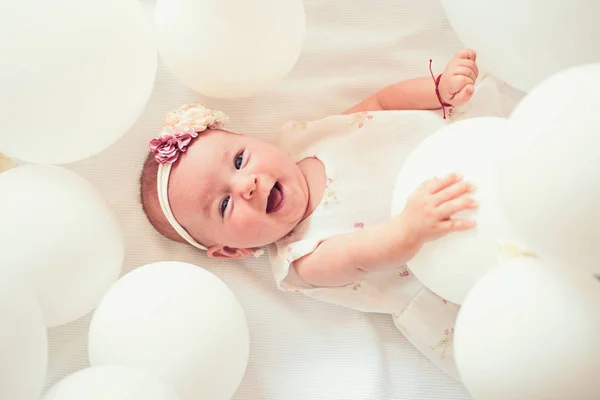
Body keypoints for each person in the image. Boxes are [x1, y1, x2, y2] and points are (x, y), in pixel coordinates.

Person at [140, 49, 486, 378]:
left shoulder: (306, 139)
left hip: (467, 156)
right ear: (233, 250)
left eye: (239, 160)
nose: (246, 184)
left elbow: (382, 104)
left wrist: (436, 90)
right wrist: (410, 229)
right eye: (224, 205)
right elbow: (361, 255)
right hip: (456, 268)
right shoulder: (302, 258)